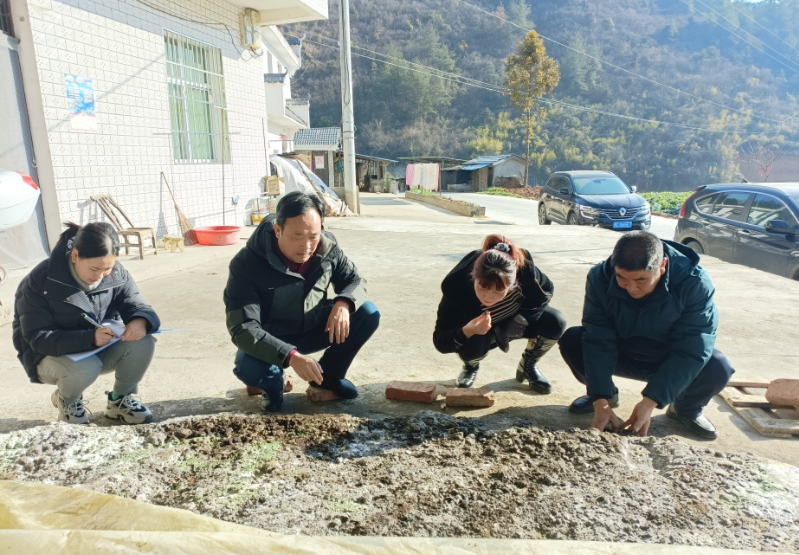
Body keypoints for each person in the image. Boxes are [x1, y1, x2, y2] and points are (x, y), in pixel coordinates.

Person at [559, 231, 734, 440]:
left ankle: (686, 409)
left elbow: (692, 348)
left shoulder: (694, 282)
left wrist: (650, 401)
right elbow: (598, 338)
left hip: (665, 358)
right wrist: (600, 399)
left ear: (663, 266)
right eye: (621, 278)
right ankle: (607, 396)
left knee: (718, 367)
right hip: (622, 351)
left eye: (641, 279)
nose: (631, 288)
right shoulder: (600, 276)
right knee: (573, 340)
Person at [224, 191, 380, 412]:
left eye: (313, 236)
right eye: (297, 236)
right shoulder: (247, 264)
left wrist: (344, 302)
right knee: (248, 367)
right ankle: (273, 383)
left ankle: (326, 378)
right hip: (272, 337)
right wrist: (291, 356)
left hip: (314, 325)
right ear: (278, 230)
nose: (306, 246)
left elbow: (355, 280)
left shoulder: (327, 248)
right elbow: (243, 328)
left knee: (367, 313)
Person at [12, 222, 160, 425]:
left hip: (96, 346)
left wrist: (141, 320)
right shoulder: (41, 280)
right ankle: (68, 401)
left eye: (107, 269)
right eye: (94, 269)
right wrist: (89, 338)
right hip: (47, 355)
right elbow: (38, 336)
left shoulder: (115, 272)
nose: (99, 276)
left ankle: (120, 401)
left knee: (144, 342)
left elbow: (133, 300)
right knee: (85, 367)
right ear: (75, 256)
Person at [433, 234, 567, 391]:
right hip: (482, 333)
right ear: (473, 278)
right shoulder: (456, 288)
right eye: (482, 287)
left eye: (499, 290)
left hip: (516, 322)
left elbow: (546, 292)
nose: (488, 297)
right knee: (474, 343)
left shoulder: (526, 273)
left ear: (513, 284)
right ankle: (471, 366)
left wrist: (522, 318)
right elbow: (440, 341)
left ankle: (528, 364)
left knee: (556, 321)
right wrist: (468, 330)